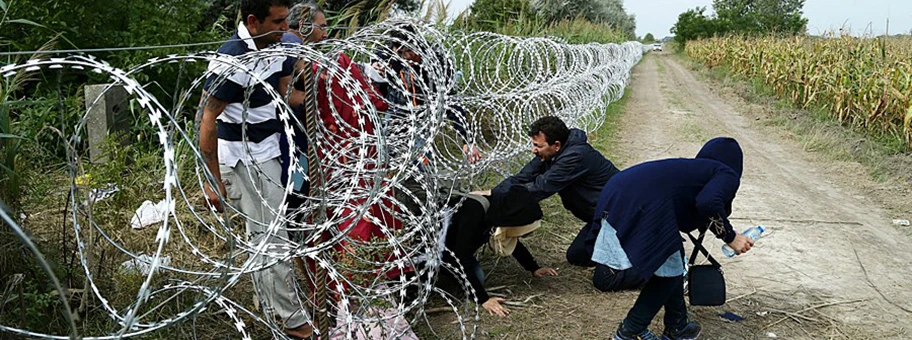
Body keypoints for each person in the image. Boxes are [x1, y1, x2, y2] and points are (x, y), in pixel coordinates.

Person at [198, 0, 313, 339]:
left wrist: (326, 92)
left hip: (273, 148)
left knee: (268, 236)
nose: (284, 28)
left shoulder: (275, 45)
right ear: (253, 21)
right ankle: (293, 322)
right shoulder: (230, 59)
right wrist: (212, 181)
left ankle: (270, 303)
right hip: (243, 157)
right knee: (272, 237)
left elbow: (283, 93)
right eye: (278, 21)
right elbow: (207, 119)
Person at [588, 137, 754, 340]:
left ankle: (678, 326)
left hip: (618, 194)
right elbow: (708, 202)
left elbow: (693, 209)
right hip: (641, 206)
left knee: (672, 265)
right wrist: (731, 237)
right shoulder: (726, 174)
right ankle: (629, 331)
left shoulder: (695, 171)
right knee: (667, 276)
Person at [487, 116, 620, 267]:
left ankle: (631, 252)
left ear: (556, 145)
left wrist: (495, 197)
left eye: (538, 145)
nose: (533, 150)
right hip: (598, 217)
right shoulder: (550, 153)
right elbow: (523, 177)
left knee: (606, 273)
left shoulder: (575, 156)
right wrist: (493, 193)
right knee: (577, 256)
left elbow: (540, 188)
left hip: (617, 215)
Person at [442, 185, 558, 317]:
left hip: (456, 249)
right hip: (440, 252)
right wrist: (483, 299)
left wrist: (533, 268)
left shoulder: (499, 210)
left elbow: (511, 240)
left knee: (475, 276)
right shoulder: (475, 212)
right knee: (477, 278)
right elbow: (461, 256)